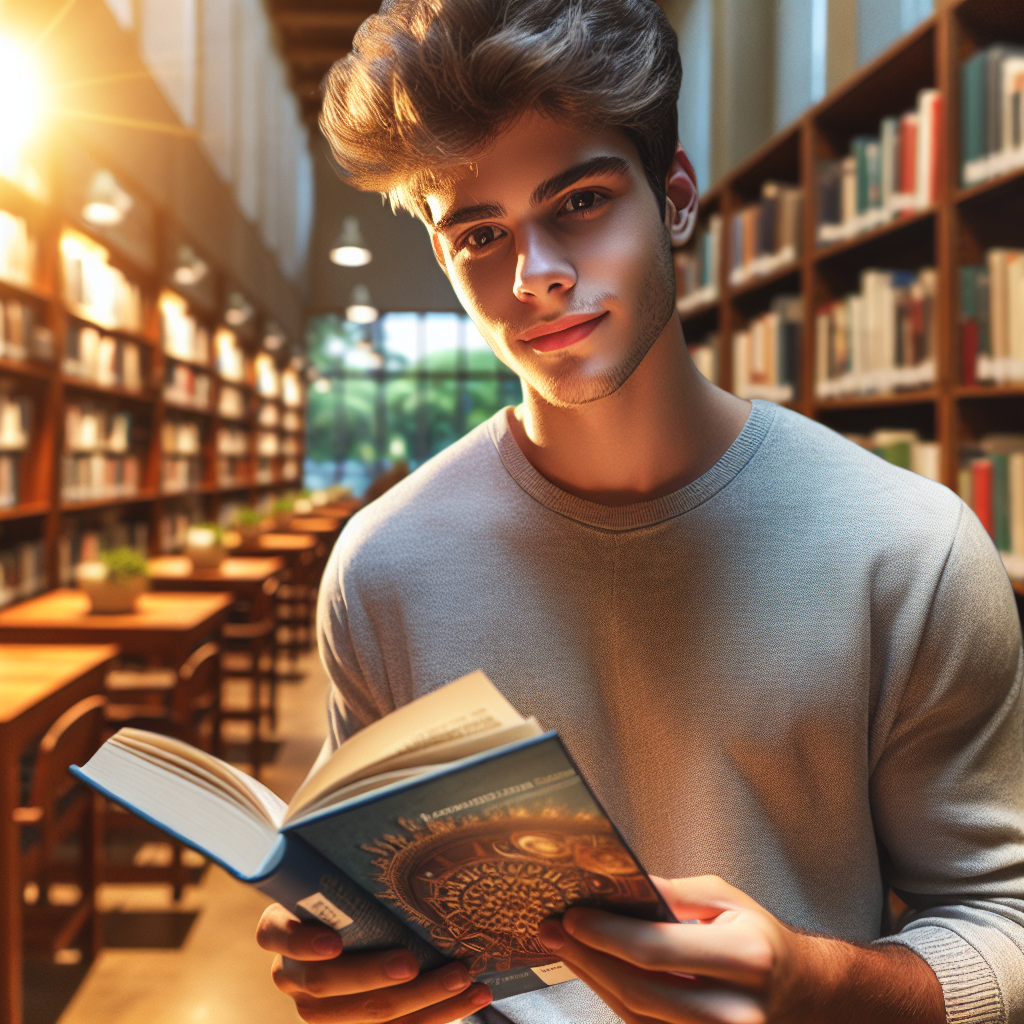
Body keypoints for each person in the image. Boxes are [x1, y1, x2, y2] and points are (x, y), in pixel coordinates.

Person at [257, 1, 1024, 1021]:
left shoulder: (907, 547)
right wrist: (343, 966)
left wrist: (813, 981)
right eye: (480, 234)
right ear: (445, 262)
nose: (535, 277)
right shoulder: (382, 566)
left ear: (674, 199)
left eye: (576, 200)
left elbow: (1004, 921)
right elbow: (379, 904)